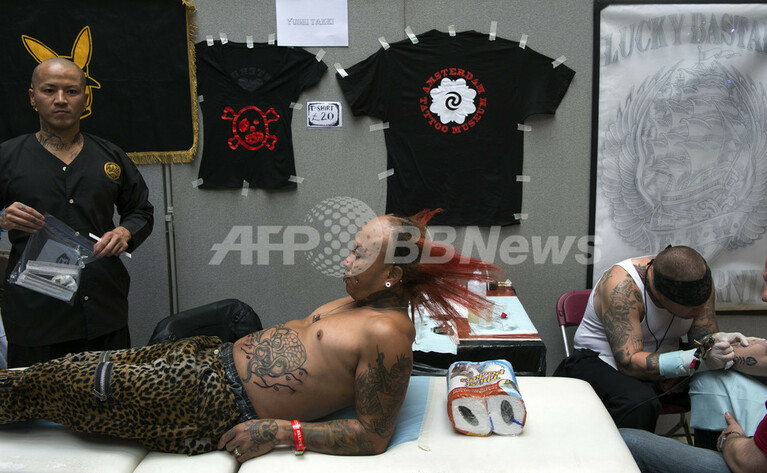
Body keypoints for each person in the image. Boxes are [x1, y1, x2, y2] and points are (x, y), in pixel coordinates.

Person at [0, 210, 500, 461]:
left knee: (66, 386)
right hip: (204, 358)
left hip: (208, 401)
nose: (346, 261)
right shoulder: (363, 300)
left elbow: (373, 435)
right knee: (60, 372)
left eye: (359, 255)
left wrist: (283, 432)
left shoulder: (388, 332)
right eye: (351, 248)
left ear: (391, 275)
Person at [0, 57, 154, 368]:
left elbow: (141, 210)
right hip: (35, 315)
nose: (60, 99)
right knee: (36, 399)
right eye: (49, 90)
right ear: (33, 97)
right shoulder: (8, 157)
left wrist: (125, 232)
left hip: (102, 311)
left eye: (71, 91)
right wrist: (1, 219)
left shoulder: (110, 156)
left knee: (106, 393)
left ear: (85, 98)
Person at [621, 229, 767, 473]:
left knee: (627, 441)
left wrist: (730, 438)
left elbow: (749, 464)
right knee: (711, 379)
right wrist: (711, 352)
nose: (765, 295)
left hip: (751, 461)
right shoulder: (621, 284)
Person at [554, 245, 736, 431]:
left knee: (723, 384)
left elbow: (702, 340)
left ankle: (718, 448)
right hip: (603, 359)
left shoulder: (697, 281)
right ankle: (630, 450)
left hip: (665, 358)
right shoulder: (622, 286)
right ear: (659, 295)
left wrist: (720, 345)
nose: (700, 311)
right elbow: (628, 363)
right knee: (639, 403)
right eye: (691, 308)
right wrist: (686, 364)